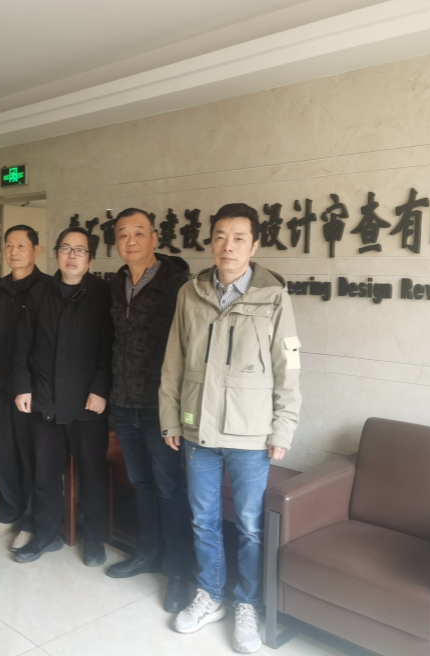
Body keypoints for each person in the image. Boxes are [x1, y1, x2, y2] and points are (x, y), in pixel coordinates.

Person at [159, 203, 302, 654]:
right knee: (203, 520)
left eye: (239, 237)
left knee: (249, 526)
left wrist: (283, 428)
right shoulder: (191, 293)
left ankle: (247, 604)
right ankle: (211, 595)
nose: (229, 245)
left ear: (254, 245)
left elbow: (289, 366)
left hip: (250, 434)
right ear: (211, 242)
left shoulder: (275, 296)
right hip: (197, 430)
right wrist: (170, 418)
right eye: (221, 236)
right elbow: (173, 361)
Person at [106, 208, 194, 613]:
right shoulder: (116, 284)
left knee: (170, 489)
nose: (131, 241)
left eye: (139, 233)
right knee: (141, 483)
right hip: (124, 403)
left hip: (162, 407)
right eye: (123, 234)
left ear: (155, 238)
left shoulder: (178, 285)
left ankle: (178, 572)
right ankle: (147, 552)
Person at [13, 226, 113, 565]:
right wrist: (22, 386)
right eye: (66, 249)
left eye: (80, 250)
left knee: (92, 475)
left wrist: (100, 389)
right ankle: (46, 535)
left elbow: (110, 348)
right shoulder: (40, 292)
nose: (72, 256)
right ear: (55, 253)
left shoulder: (102, 293)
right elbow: (23, 343)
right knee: (44, 474)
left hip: (88, 404)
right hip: (45, 400)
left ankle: (94, 539)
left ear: (91, 258)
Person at [0, 225, 47, 551]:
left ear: (37, 250)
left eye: (21, 245)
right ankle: (8, 513)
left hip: (32, 391)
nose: (14, 251)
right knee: (3, 455)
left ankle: (31, 521)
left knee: (31, 457)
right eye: (9, 245)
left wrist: (30, 386)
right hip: (0, 386)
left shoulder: (46, 288)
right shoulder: (1, 287)